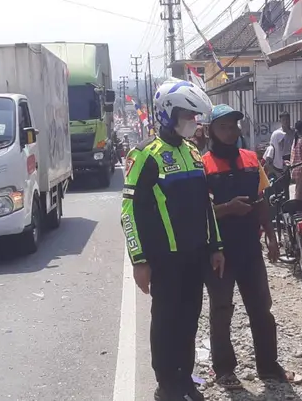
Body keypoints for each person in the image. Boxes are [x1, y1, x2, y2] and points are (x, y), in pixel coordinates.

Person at [121, 79, 225, 401]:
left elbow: (206, 205)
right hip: (165, 261)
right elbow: (128, 212)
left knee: (190, 320)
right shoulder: (144, 156)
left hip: (195, 258)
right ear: (168, 113)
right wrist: (139, 261)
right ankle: (166, 384)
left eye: (195, 116)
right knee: (166, 322)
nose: (193, 122)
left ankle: (185, 378)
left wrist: (216, 246)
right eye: (187, 115)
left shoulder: (193, 153)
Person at [201, 104, 298, 390]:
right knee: (221, 310)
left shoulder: (251, 159)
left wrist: (270, 235)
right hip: (218, 251)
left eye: (233, 126)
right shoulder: (202, 164)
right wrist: (228, 209)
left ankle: (268, 367)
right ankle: (224, 370)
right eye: (223, 127)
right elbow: (200, 213)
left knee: (261, 309)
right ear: (211, 131)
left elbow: (262, 200)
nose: (230, 132)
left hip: (249, 249)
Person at [265, 111, 294, 193]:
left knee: (286, 184)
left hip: (290, 157)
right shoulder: (277, 134)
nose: (286, 122)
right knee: (278, 186)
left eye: (287, 119)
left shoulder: (293, 132)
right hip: (280, 158)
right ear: (281, 121)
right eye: (284, 120)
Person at [289, 120, 302, 211]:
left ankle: (300, 210)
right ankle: (301, 210)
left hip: (295, 169)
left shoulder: (295, 141)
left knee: (298, 190)